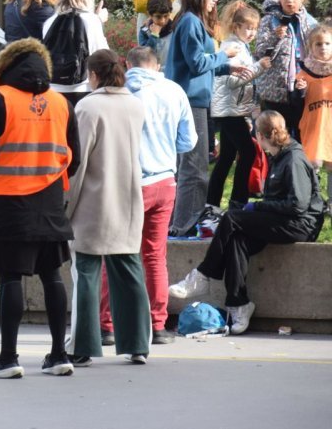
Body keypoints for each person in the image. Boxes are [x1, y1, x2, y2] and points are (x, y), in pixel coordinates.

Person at [0, 39, 79, 379]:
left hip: (6, 200)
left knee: (10, 278)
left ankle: (8, 357)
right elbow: (75, 156)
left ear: (4, 66)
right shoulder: (61, 102)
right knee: (52, 276)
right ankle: (59, 354)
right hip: (49, 200)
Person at [170, 111, 326, 334]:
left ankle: (203, 275)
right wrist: (258, 206)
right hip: (286, 219)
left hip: (300, 224)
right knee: (237, 238)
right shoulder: (279, 156)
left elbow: (297, 206)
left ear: (261, 136)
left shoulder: (292, 159)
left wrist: (259, 207)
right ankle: (238, 303)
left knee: (231, 217)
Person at [65, 50, 151, 365]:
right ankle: (138, 342)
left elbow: (79, 161)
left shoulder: (87, 107)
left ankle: (83, 345)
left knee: (86, 272)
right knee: (128, 269)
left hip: (92, 202)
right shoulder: (135, 105)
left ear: (94, 74)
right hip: (128, 197)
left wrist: (66, 208)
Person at [106, 47, 195, 345]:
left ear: (127, 64)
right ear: (157, 65)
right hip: (165, 182)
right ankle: (158, 325)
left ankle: (107, 325)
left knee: (115, 253)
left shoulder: (120, 92)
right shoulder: (174, 90)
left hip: (130, 183)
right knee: (155, 256)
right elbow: (188, 141)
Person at [164, 0, 246, 237]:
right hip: (190, 103)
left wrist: (226, 67)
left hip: (193, 101)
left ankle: (182, 221)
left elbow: (199, 65)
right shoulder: (190, 22)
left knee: (191, 165)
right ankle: (184, 224)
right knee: (194, 167)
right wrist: (224, 55)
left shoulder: (191, 21)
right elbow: (197, 63)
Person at [209, 1, 270, 209]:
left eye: (255, 29)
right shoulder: (232, 47)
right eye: (248, 28)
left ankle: (213, 203)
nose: (252, 33)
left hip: (234, 110)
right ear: (236, 27)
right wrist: (258, 68)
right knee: (248, 152)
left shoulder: (242, 46)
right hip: (228, 111)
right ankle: (238, 201)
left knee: (226, 157)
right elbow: (232, 80)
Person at [255, 0, 320, 136]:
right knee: (276, 134)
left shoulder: (311, 23)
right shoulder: (269, 21)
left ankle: (297, 161)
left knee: (301, 132)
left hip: (301, 86)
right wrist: (275, 36)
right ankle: (275, 161)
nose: (290, 0)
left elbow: (317, 53)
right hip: (275, 88)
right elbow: (260, 52)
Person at [40, 0, 109, 104]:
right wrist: (99, 21)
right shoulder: (92, 21)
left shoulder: (50, 22)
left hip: (52, 91)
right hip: (83, 90)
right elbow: (103, 56)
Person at [295, 25, 332, 202]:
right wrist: (299, 91)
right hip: (313, 126)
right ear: (310, 47)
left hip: (330, 127)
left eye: (327, 43)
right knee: (313, 164)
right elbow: (296, 103)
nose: (323, 47)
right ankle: (314, 201)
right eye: (318, 44)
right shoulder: (304, 73)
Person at [137, 0, 175, 65]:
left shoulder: (175, 28)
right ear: (150, 15)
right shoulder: (145, 31)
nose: (162, 21)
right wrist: (154, 35)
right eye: (158, 17)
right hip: (153, 72)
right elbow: (145, 55)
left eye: (166, 16)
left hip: (172, 71)